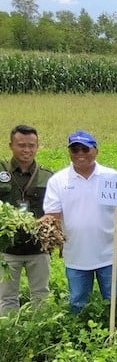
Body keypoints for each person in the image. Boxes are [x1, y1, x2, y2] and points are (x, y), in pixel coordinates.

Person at [43, 130, 117, 314]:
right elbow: (52, 217)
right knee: (77, 301)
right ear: (69, 153)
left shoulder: (111, 176)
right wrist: (57, 242)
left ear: (96, 151)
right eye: (75, 150)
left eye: (85, 149)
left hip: (108, 253)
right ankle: (78, 335)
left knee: (113, 299)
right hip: (76, 254)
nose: (80, 155)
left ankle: (116, 332)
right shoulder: (58, 180)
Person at [0, 125, 54, 314]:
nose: (27, 150)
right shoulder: (1, 172)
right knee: (6, 298)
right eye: (21, 145)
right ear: (11, 146)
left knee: (41, 295)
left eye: (31, 146)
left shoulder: (47, 177)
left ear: (37, 146)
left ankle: (39, 332)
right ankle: (9, 336)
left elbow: (55, 210)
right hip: (7, 249)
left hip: (38, 248)